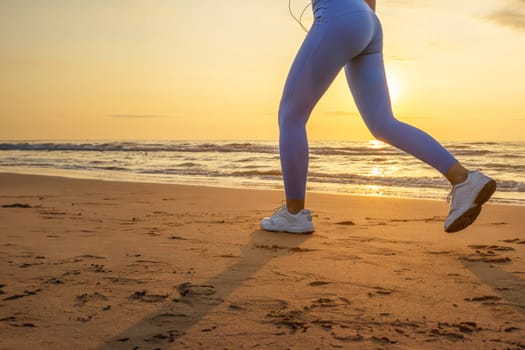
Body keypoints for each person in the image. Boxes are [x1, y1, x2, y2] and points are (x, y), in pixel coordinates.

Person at [260, 0, 496, 234]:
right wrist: (358, 22)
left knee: (291, 115)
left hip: (338, 15)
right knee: (383, 124)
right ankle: (464, 179)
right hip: (368, 22)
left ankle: (294, 214)